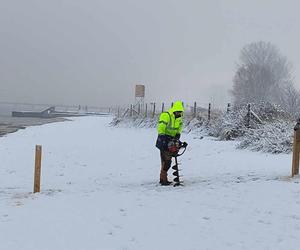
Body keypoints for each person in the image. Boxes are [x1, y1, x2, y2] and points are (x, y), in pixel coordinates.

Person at [155, 101, 184, 185]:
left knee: (168, 160)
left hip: (172, 139)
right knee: (166, 161)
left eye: (180, 112)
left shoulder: (179, 118)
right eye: (178, 111)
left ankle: (163, 178)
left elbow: (179, 128)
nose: (179, 113)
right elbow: (161, 127)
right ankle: (163, 179)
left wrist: (178, 137)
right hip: (163, 139)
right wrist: (163, 137)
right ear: (174, 110)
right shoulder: (166, 115)